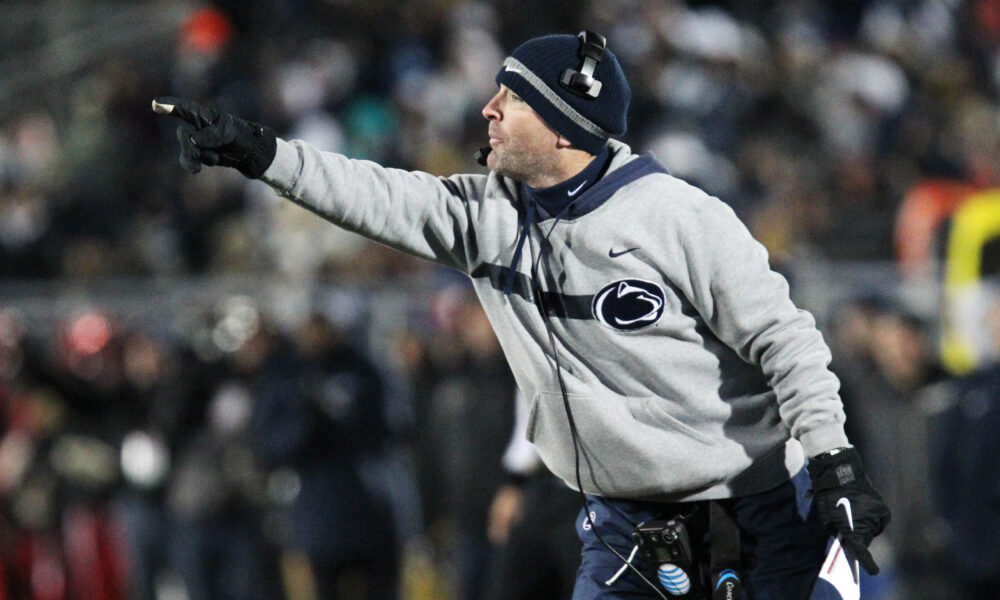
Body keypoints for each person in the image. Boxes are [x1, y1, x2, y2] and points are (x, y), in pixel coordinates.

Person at [153, 30, 890, 600]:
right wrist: (261, 154)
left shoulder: (678, 217)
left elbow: (785, 339)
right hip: (624, 521)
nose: (488, 110)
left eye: (512, 97)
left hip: (754, 510)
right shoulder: (487, 215)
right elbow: (371, 195)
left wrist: (834, 462)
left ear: (567, 123)